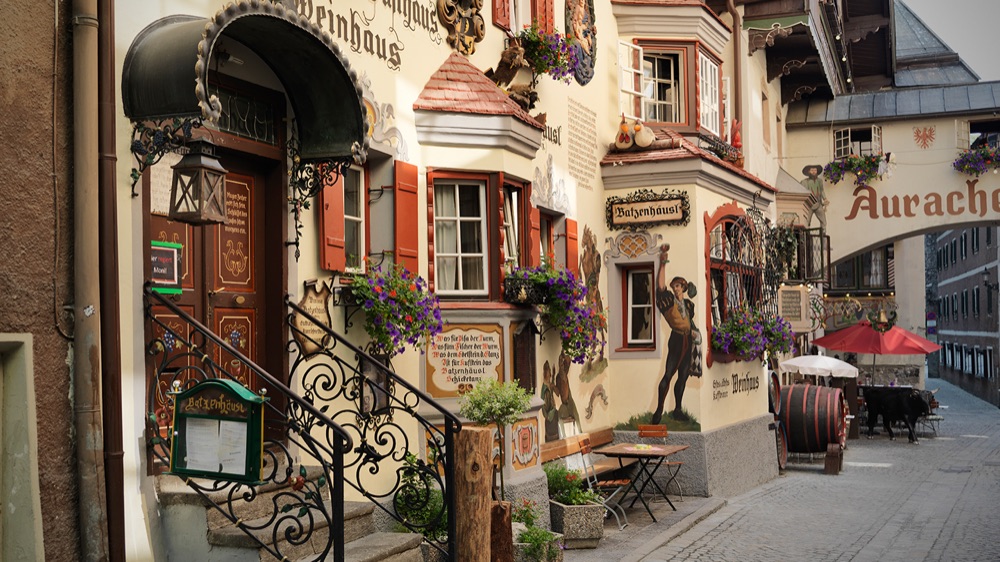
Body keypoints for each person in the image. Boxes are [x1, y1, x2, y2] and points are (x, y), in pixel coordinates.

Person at [651, 244, 700, 424]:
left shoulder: (688, 305)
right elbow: (661, 287)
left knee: (683, 375)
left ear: (684, 288)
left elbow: (690, 321)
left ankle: (677, 409)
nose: (676, 288)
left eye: (679, 286)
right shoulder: (669, 301)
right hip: (677, 339)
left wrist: (695, 332)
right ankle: (658, 411)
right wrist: (663, 262)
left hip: (688, 339)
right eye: (675, 286)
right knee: (668, 374)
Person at [801, 164, 828, 229]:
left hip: (818, 204)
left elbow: (821, 191)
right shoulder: (804, 182)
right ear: (809, 172)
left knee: (824, 222)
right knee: (806, 222)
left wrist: (825, 199)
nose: (814, 172)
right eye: (812, 170)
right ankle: (806, 237)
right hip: (809, 205)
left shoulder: (819, 181)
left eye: (815, 170)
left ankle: (823, 236)